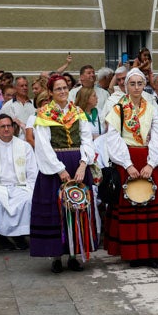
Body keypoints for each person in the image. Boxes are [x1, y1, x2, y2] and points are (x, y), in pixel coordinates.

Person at [103, 69, 158, 269]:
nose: (136, 87)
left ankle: (154, 253)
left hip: (148, 160)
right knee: (131, 206)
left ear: (144, 85)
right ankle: (133, 253)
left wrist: (152, 163)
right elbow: (113, 137)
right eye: (132, 84)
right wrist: (127, 164)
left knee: (151, 206)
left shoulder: (151, 109)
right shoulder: (118, 108)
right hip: (128, 160)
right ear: (126, 86)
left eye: (139, 84)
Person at [29, 82, 98, 271]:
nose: (63, 91)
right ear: (50, 92)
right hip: (54, 167)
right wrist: (59, 169)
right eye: (58, 89)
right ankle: (56, 256)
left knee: (78, 208)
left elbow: (87, 139)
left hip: (77, 164)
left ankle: (75, 254)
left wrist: (84, 164)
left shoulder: (77, 112)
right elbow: (43, 146)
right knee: (56, 211)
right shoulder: (44, 114)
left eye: (65, 88)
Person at [0, 114, 37, 251]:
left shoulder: (24, 146)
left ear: (13, 128)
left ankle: (20, 236)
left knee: (28, 201)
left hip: (20, 185)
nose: (6, 129)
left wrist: (32, 189)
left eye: (9, 126)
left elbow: (32, 171)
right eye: (2, 126)